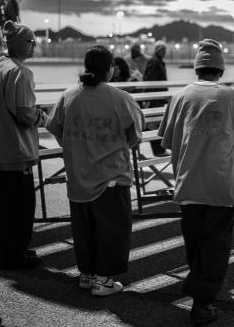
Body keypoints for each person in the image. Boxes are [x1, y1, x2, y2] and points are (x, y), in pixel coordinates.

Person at [158, 39, 234, 324]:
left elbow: (166, 139)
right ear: (220, 70)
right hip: (220, 185)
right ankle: (203, 302)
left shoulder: (179, 97)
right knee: (216, 245)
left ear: (197, 68)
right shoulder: (232, 97)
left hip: (187, 183)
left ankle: (198, 287)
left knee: (195, 242)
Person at [46, 46, 144, 297]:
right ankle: (103, 280)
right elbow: (134, 138)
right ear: (110, 69)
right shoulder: (122, 99)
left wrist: (71, 144)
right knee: (112, 232)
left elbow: (54, 126)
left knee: (84, 231)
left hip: (78, 179)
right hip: (110, 179)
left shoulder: (69, 96)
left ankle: (87, 275)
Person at [0, 20, 47, 270]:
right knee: (20, 207)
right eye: (31, 41)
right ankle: (15, 254)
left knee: (2, 208)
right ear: (21, 43)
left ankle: (8, 248)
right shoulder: (20, 72)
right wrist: (41, 116)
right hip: (14, 151)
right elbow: (24, 114)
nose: (34, 46)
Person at [143, 40, 169, 157]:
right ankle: (158, 150)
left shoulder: (157, 61)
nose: (164, 52)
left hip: (157, 97)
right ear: (158, 50)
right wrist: (148, 97)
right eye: (163, 50)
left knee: (155, 123)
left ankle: (158, 148)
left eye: (165, 50)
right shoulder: (154, 62)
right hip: (154, 97)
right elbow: (150, 80)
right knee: (154, 123)